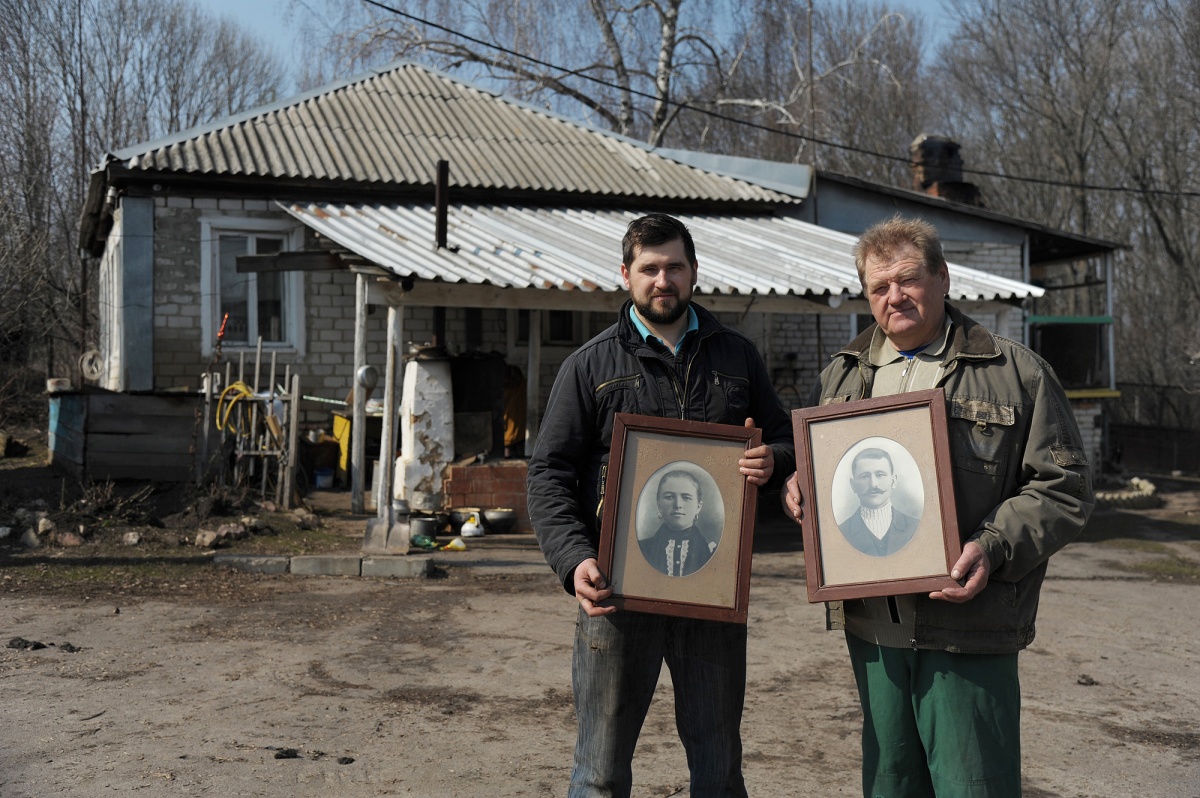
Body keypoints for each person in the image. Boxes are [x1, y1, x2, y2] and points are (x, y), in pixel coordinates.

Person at [783, 216, 1094, 797]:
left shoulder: (1015, 372)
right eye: (879, 287)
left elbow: (1065, 487)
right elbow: (829, 474)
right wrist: (802, 485)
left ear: (943, 278)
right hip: (873, 629)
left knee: (973, 785)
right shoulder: (843, 376)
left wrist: (994, 545)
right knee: (890, 786)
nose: (894, 296)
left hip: (968, 627)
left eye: (908, 279)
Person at [527, 213, 794, 798]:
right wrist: (574, 561)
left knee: (719, 769)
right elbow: (549, 472)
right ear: (626, 275)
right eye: (649, 268)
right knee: (599, 771)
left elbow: (787, 438)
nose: (662, 280)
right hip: (618, 592)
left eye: (674, 266)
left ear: (694, 271)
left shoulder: (737, 358)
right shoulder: (589, 366)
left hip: (712, 592)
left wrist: (772, 458)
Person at [837, 447, 919, 557]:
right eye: (865, 476)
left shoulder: (915, 527)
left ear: (893, 481)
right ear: (853, 485)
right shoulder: (841, 533)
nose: (873, 484)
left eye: (880, 475)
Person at [639, 468, 717, 576]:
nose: (678, 504)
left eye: (686, 497)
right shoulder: (643, 548)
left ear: (698, 506)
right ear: (659, 505)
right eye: (669, 497)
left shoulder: (711, 552)